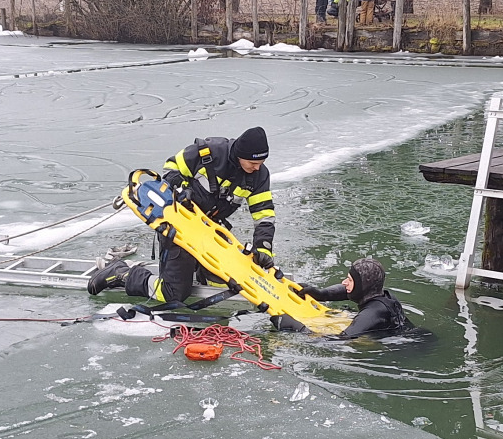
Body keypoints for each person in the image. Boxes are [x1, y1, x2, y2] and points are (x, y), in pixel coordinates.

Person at [88, 127, 277, 305]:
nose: (257, 168)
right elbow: (171, 166)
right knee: (172, 294)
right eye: (253, 163)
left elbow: (264, 215)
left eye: (261, 163)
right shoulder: (209, 152)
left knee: (222, 284)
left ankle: (199, 270)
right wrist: (179, 188)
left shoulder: (259, 176)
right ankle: (120, 273)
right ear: (240, 155)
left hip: (211, 231)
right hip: (179, 227)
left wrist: (263, 249)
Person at [301, 258, 412, 339]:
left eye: (350, 280)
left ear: (362, 286)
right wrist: (320, 294)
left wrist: (299, 327)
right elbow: (348, 291)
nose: (344, 282)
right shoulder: (384, 296)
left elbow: (340, 339)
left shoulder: (371, 314)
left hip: (402, 349)